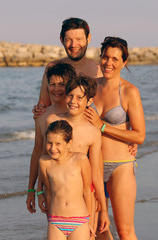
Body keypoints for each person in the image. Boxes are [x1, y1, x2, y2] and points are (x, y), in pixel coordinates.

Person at [84, 36, 146, 240]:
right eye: (105, 57)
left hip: (120, 166)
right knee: (97, 230)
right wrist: (43, 110)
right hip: (92, 167)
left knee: (125, 232)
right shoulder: (90, 87)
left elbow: (139, 135)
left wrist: (102, 126)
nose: (108, 63)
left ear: (124, 63)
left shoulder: (129, 92)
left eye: (115, 59)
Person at [37, 75, 110, 236]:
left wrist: (103, 209)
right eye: (70, 95)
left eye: (79, 97)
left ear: (89, 101)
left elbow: (96, 172)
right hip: (57, 194)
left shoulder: (92, 131)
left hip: (84, 195)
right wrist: (38, 190)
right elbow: (43, 157)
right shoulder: (53, 120)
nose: (72, 101)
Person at [26, 62, 76, 214]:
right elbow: (39, 154)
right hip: (52, 189)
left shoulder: (80, 114)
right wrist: (34, 190)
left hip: (78, 187)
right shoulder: (42, 117)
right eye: (52, 84)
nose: (56, 89)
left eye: (62, 84)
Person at [34, 17, 103, 115]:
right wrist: (38, 111)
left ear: (88, 38)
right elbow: (43, 107)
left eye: (79, 39)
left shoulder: (99, 70)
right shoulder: (52, 68)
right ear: (61, 40)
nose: (73, 44)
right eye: (69, 39)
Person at [39, 120, 94, 240]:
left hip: (79, 220)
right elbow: (48, 193)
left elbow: (87, 191)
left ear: (69, 143)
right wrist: (49, 220)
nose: (53, 148)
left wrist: (90, 222)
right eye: (49, 143)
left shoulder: (80, 159)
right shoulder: (44, 163)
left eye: (58, 143)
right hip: (55, 221)